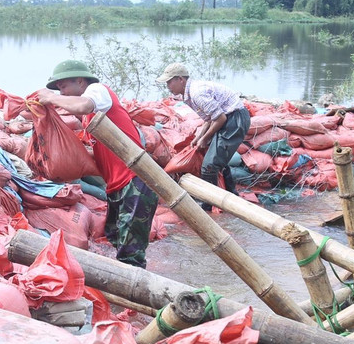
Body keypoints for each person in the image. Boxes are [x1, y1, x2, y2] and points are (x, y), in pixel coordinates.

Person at [30, 59, 159, 268]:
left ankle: (138, 294)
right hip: (117, 185)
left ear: (80, 81)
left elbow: (82, 105)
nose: (61, 93)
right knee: (115, 236)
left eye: (64, 87)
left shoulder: (98, 91)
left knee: (130, 253)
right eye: (59, 89)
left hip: (137, 180)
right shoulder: (89, 117)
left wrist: (51, 98)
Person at [157, 63, 251, 207]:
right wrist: (198, 137)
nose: (168, 86)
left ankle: (209, 205)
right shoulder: (189, 94)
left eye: (170, 82)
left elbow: (220, 118)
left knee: (209, 166)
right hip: (227, 118)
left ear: (181, 80)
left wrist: (205, 138)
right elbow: (209, 119)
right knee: (216, 158)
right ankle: (232, 195)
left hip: (234, 119)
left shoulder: (197, 93)